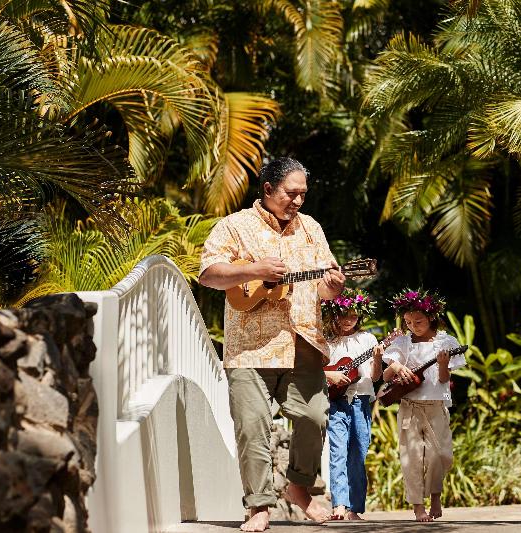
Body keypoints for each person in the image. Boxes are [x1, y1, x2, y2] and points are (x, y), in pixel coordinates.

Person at [198, 157, 344, 532]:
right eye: (291, 193)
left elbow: (326, 287)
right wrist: (254, 270)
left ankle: (298, 487)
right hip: (250, 347)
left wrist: (333, 286)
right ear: (267, 189)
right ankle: (259, 506)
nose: (297, 201)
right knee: (252, 425)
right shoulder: (234, 226)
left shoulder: (311, 228)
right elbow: (209, 274)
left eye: (303, 195)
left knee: (314, 417)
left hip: (304, 341)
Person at [382, 289, 465, 522]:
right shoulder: (402, 342)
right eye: (408, 322)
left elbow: (443, 380)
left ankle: (435, 495)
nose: (413, 326)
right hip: (410, 407)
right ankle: (418, 506)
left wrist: (443, 365)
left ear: (431, 317)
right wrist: (398, 367)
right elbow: (388, 374)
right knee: (412, 457)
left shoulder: (446, 342)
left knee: (439, 455)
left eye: (418, 321)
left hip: (437, 405)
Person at [322, 289, 383, 521]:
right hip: (336, 401)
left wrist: (377, 358)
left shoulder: (367, 340)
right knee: (338, 451)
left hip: (361, 400)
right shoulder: (326, 341)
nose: (348, 320)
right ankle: (339, 504)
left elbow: (375, 377)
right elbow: (317, 369)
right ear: (334, 313)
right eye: (344, 314)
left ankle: (354, 509)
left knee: (358, 454)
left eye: (354, 316)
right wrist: (332, 375)